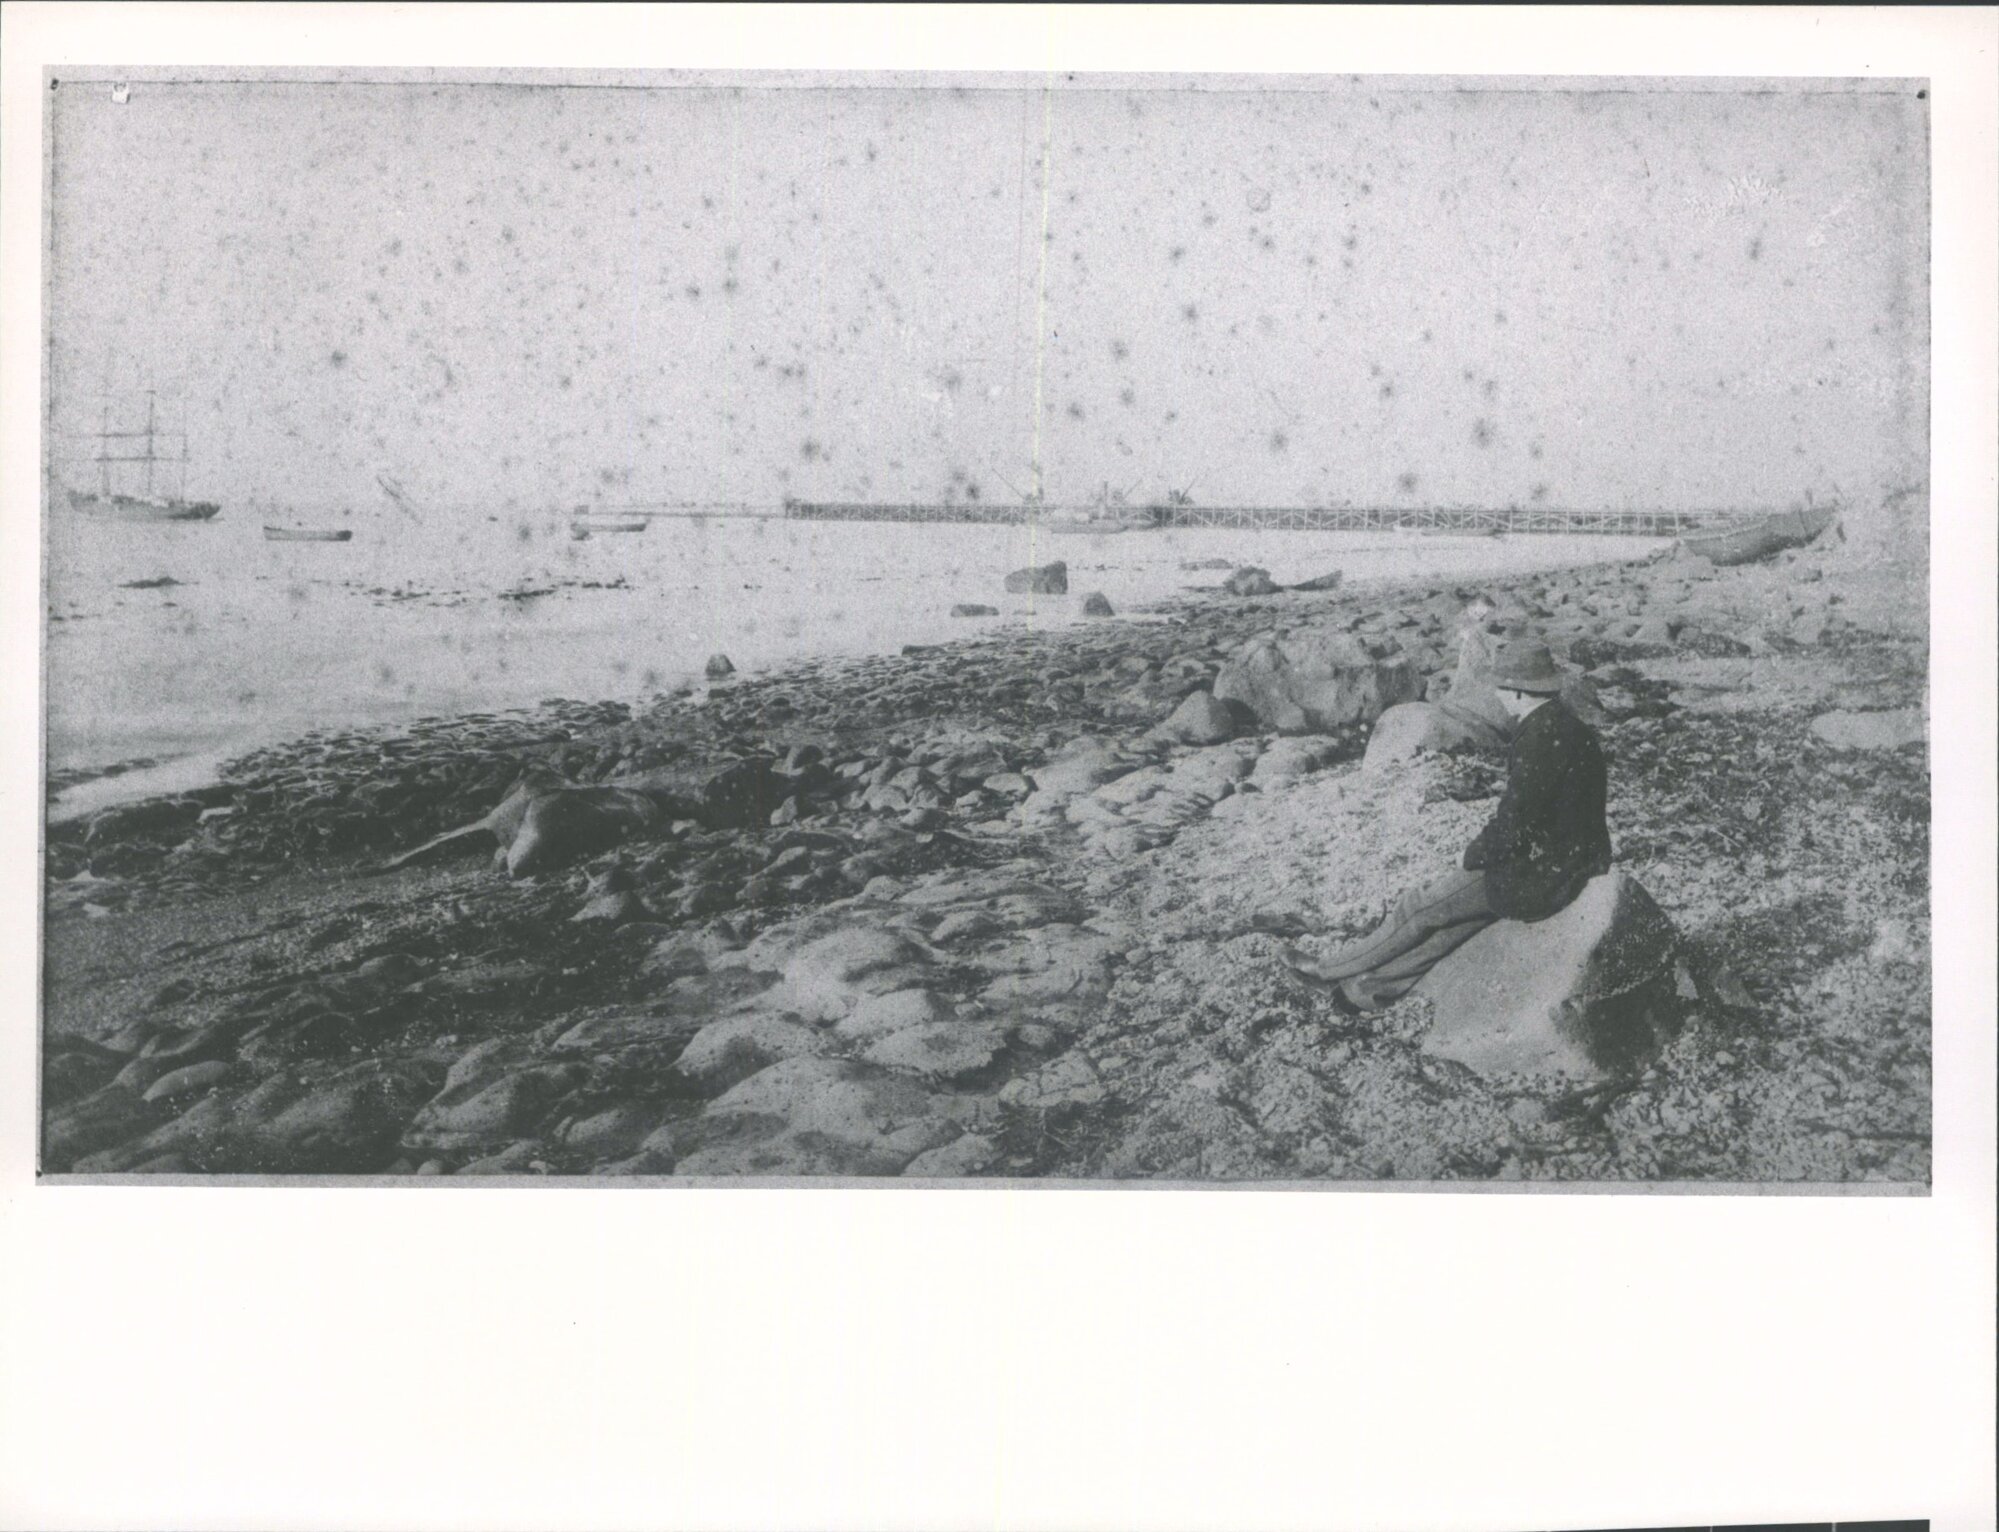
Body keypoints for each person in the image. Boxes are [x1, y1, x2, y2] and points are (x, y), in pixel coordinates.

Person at [1286, 638, 1613, 1011]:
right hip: (1574, 863)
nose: (1497, 695)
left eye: (1501, 687)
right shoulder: (1566, 727)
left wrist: (1472, 855)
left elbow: (1514, 821)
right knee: (1452, 928)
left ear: (1520, 692)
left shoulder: (1540, 738)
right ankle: (1362, 994)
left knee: (1419, 908)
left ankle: (1325, 970)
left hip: (1542, 871)